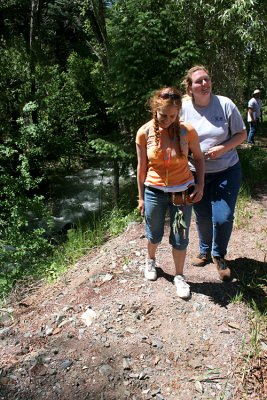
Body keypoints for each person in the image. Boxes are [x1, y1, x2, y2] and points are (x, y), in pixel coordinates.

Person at [136, 87, 205, 299]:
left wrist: (200, 185)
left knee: (180, 236)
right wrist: (140, 197)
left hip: (182, 192)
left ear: (178, 113)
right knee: (154, 232)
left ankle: (179, 276)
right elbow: (141, 167)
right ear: (154, 109)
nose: (168, 119)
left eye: (173, 115)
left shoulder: (187, 131)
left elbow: (200, 159)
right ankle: (150, 260)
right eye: (163, 115)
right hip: (154, 191)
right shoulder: (144, 133)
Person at [180, 65, 247, 281]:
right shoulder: (183, 108)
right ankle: (204, 250)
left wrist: (223, 148)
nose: (204, 84)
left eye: (207, 79)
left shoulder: (225, 104)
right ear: (190, 87)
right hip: (194, 172)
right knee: (202, 216)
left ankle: (219, 255)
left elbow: (242, 134)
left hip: (226, 170)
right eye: (199, 81)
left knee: (223, 217)